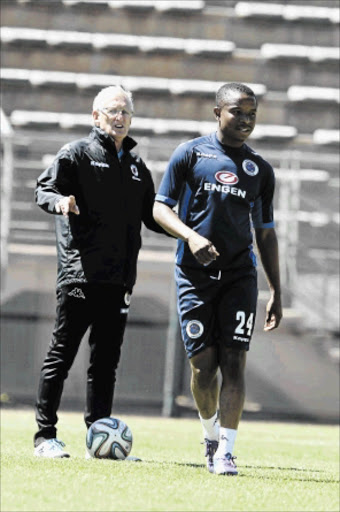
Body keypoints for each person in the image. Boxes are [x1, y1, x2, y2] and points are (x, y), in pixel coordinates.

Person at [153, 82, 282, 476]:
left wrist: (276, 288)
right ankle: (209, 436)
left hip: (240, 276)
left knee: (234, 361)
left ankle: (226, 451)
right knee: (203, 368)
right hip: (194, 276)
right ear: (217, 113)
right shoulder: (190, 154)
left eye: (252, 114)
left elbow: (265, 231)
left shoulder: (260, 169)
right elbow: (160, 208)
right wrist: (190, 237)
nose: (245, 120)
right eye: (237, 112)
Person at [34, 85, 166, 458]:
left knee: (106, 360)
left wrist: (186, 229)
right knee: (62, 353)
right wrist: (61, 201)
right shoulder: (76, 154)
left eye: (125, 112)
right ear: (96, 116)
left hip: (119, 279)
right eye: (112, 111)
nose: (120, 117)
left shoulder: (138, 166)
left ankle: (99, 437)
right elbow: (43, 189)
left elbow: (152, 216)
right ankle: (45, 437)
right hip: (80, 275)